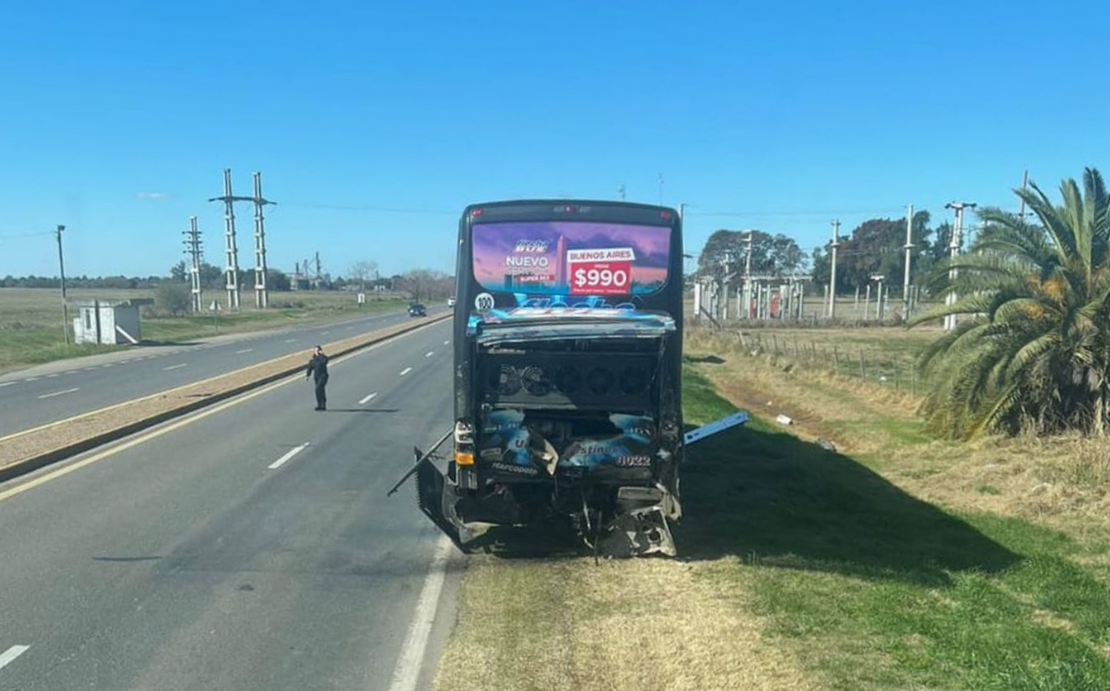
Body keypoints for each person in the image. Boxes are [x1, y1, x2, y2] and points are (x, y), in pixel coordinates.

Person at [305, 345, 329, 411]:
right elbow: (309, 368)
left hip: (323, 376)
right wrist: (307, 375)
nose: (317, 352)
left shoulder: (323, 358)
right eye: (315, 350)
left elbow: (326, 361)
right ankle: (320, 405)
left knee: (318, 388)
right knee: (320, 390)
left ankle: (322, 404)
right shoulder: (313, 360)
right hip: (317, 377)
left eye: (318, 350)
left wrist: (322, 354)